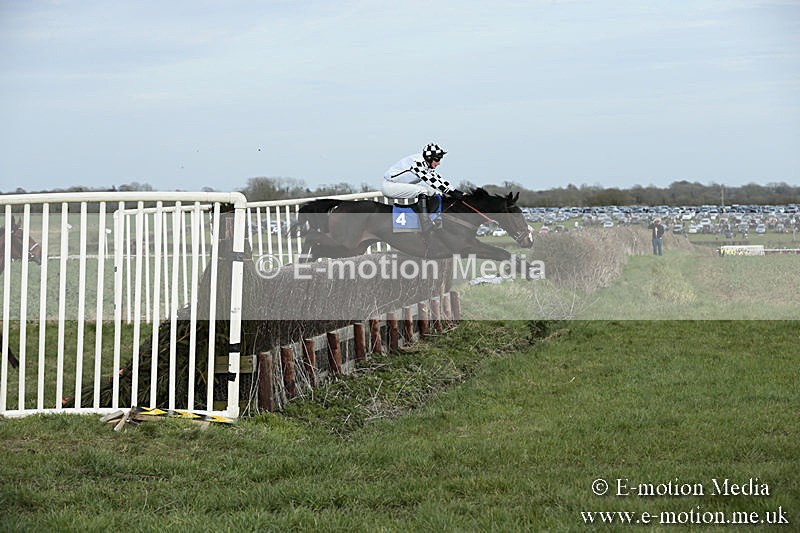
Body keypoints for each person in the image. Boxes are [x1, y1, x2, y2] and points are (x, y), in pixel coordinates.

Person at [382, 143, 463, 230]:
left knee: (432, 191)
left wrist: (455, 191)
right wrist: (451, 192)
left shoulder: (426, 164)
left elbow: (438, 178)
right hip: (389, 186)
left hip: (396, 184)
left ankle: (433, 218)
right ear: (429, 158)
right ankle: (425, 224)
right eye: (437, 159)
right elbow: (430, 180)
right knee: (422, 190)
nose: (439, 163)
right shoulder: (417, 163)